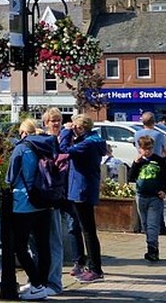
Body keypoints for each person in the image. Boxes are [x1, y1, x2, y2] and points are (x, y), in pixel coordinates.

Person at [7, 118, 56, 300]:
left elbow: (11, 177)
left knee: (20, 246)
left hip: (24, 203)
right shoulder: (48, 145)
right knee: (44, 246)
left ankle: (35, 284)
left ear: (23, 132)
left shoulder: (22, 148)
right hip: (45, 202)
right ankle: (42, 284)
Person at [59, 113, 107, 283]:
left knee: (88, 231)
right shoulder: (93, 140)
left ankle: (95, 269)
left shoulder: (87, 144)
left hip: (82, 191)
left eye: (74, 126)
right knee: (88, 230)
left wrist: (65, 133)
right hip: (82, 189)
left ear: (80, 128)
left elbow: (63, 150)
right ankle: (92, 267)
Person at [40, 108, 74, 297]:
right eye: (53, 120)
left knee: (55, 241)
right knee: (41, 243)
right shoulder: (43, 140)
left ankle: (54, 282)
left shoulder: (64, 141)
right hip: (44, 197)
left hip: (59, 198)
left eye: (59, 120)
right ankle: (40, 280)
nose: (56, 124)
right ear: (45, 123)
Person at [128, 135, 166, 262]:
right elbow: (131, 176)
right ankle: (150, 245)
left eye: (150, 149)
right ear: (139, 149)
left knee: (153, 224)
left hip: (155, 197)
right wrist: (136, 163)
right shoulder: (138, 161)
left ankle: (153, 250)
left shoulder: (158, 160)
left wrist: (164, 190)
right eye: (144, 149)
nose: (147, 151)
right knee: (145, 224)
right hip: (141, 196)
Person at [133, 112, 166, 236]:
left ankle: (143, 226)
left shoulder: (137, 134)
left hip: (141, 164)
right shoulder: (159, 135)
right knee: (157, 199)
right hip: (156, 165)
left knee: (143, 199)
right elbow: (165, 151)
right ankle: (160, 226)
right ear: (154, 122)